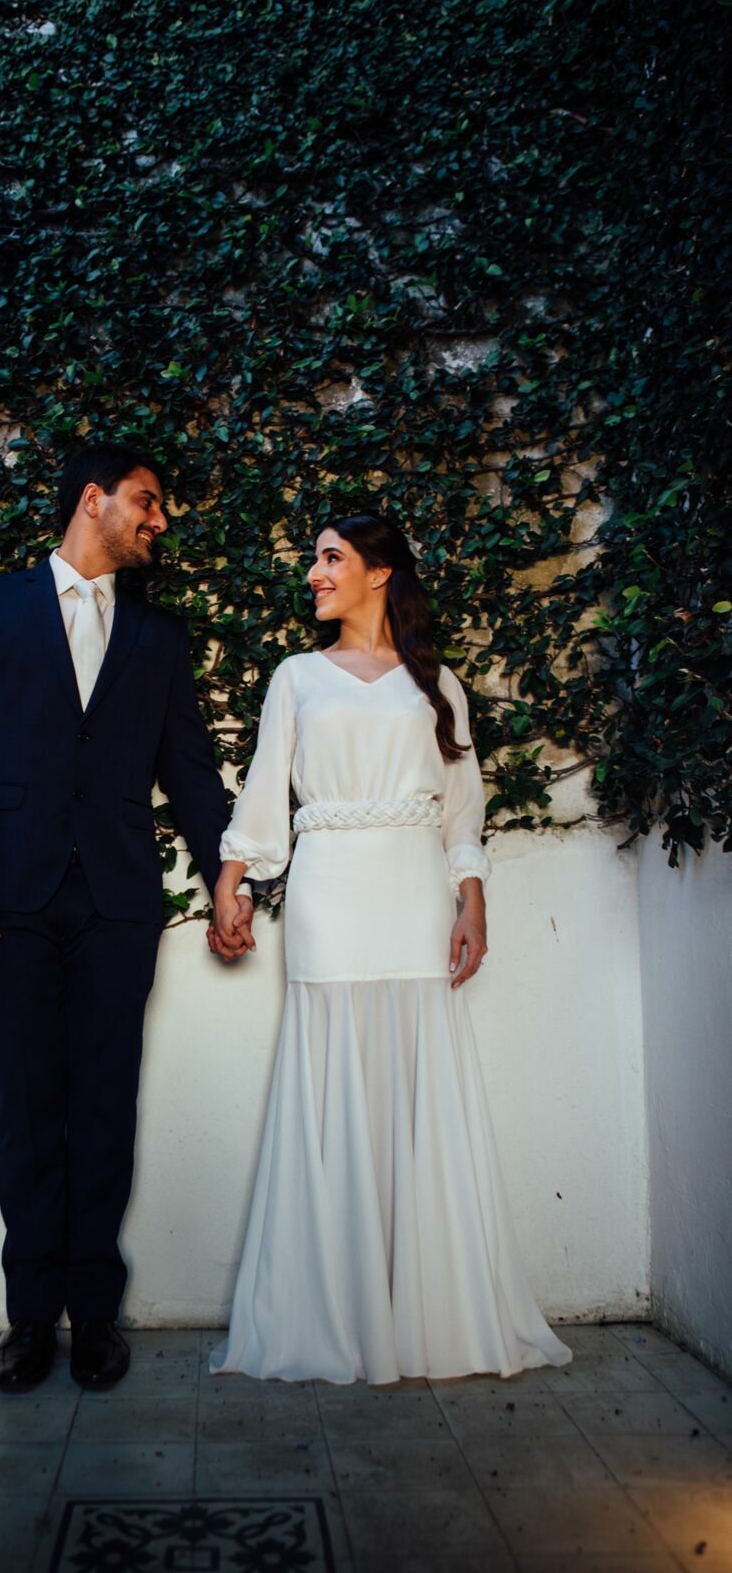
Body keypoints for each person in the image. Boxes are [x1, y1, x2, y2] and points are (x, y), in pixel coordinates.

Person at [207, 514, 571, 1384]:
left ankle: (432, 1318)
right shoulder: (296, 677)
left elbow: (461, 808)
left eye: (330, 558)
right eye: (313, 559)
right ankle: (335, 1315)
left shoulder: (435, 684)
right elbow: (263, 790)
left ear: (379, 572)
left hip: (413, 895)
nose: (313, 573)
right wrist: (233, 879)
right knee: (330, 1083)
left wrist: (471, 900)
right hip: (328, 895)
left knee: (418, 1083)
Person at [0, 442, 253, 1393]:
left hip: (117, 902)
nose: (160, 520)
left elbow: (188, 771)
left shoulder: (157, 636)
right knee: (29, 1113)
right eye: (146, 501)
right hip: (7, 903)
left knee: (105, 1107)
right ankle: (30, 1318)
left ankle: (96, 1316)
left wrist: (223, 879)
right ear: (92, 500)